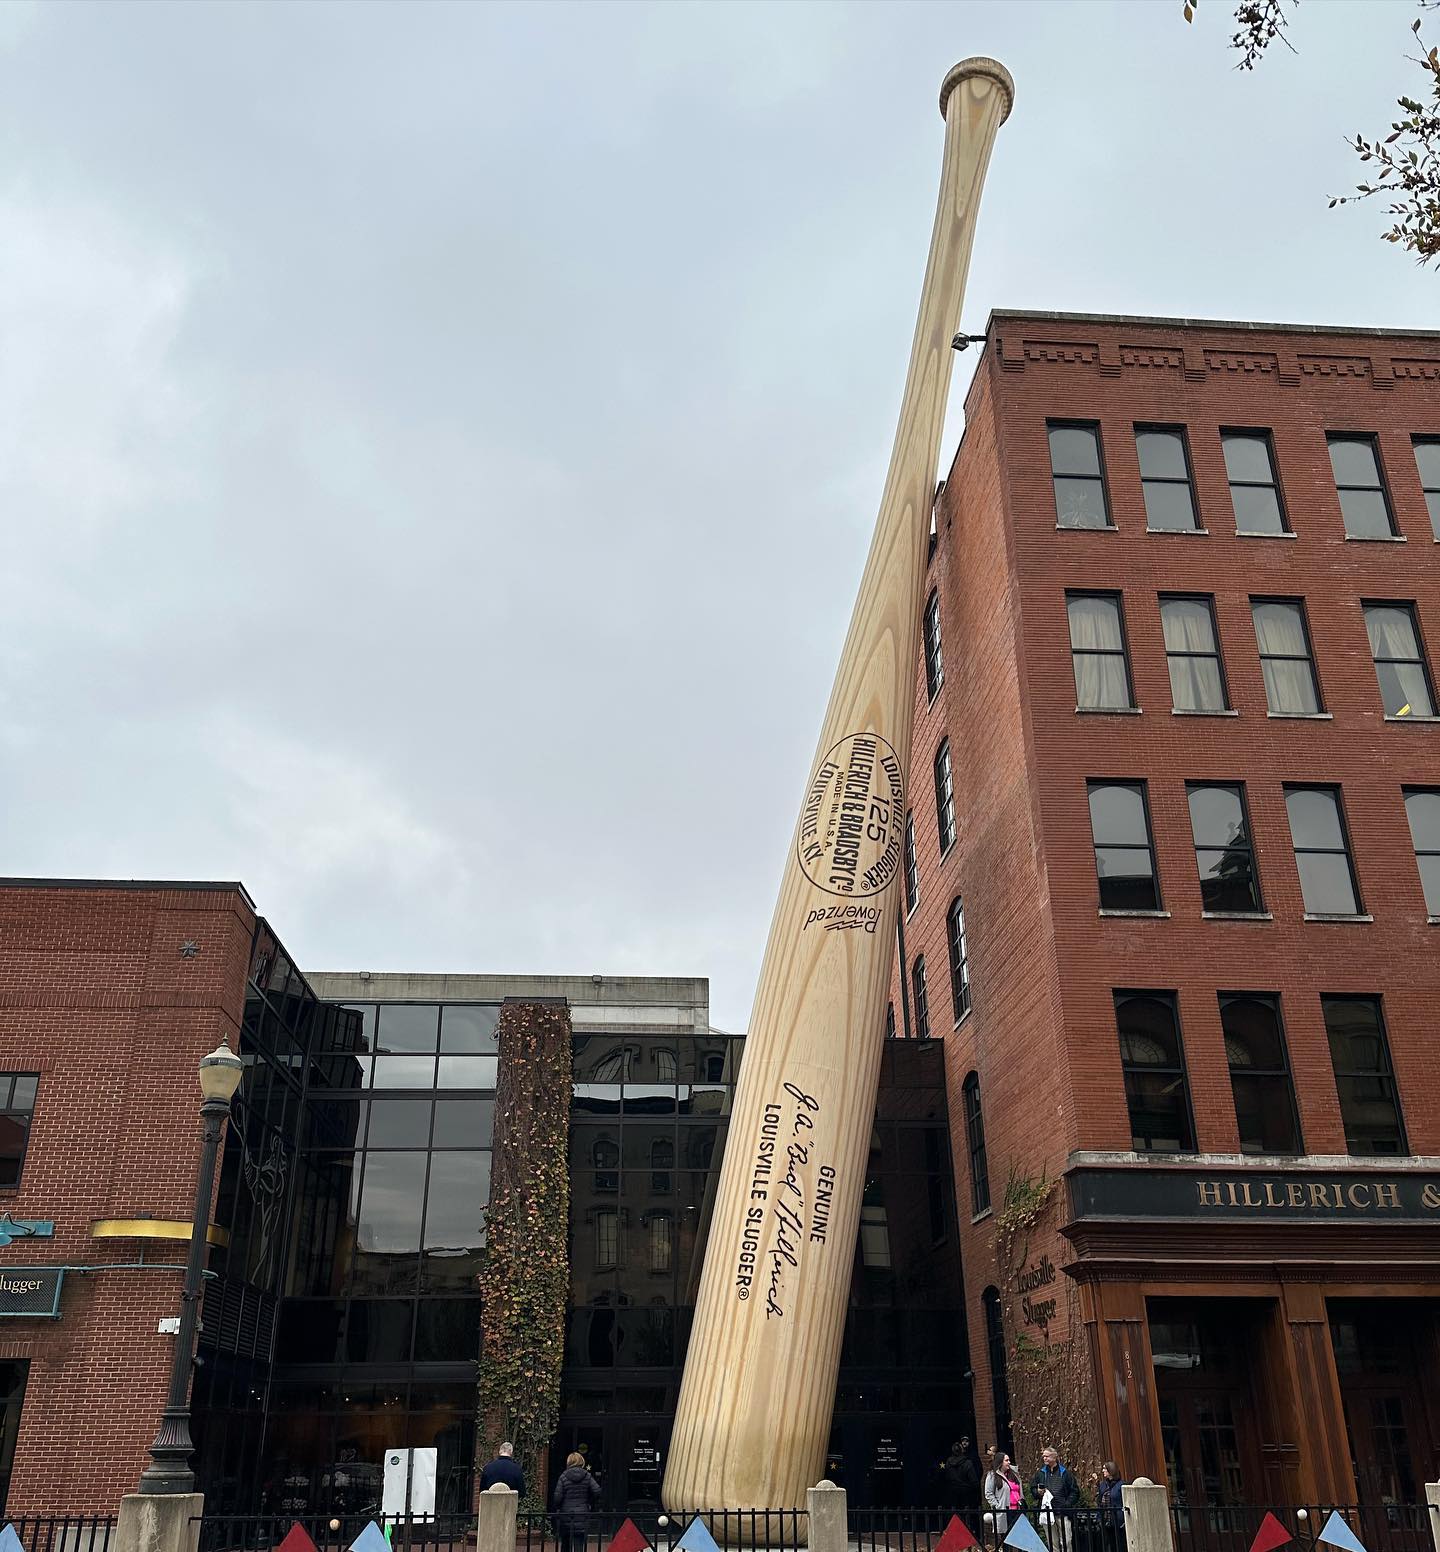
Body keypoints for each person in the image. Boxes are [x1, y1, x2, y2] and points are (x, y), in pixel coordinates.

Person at [1031, 1446, 1080, 1552]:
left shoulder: (1065, 1473)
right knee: (1052, 1543)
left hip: (1063, 1512)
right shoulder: (1040, 1473)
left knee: (1066, 1541)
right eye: (1043, 1456)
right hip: (1047, 1512)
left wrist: (1067, 1504)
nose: (1044, 1458)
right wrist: (1038, 1492)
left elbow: (1075, 1491)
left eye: (1047, 1456)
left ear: (1054, 1457)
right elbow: (1033, 1489)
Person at [552, 1450, 601, 1552]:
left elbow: (557, 1498)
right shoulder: (587, 1475)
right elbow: (597, 1491)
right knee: (579, 1543)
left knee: (565, 1543)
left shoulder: (563, 1476)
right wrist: (590, 1503)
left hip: (566, 1514)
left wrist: (559, 1507)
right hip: (582, 1514)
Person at [941, 1439, 981, 1532]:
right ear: (962, 1450)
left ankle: (955, 1532)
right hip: (967, 1493)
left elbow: (946, 1477)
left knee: (955, 1514)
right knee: (968, 1515)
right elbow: (974, 1480)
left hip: (953, 1492)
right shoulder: (967, 1463)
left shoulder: (948, 1462)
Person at [984, 1449, 1022, 1535]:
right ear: (1000, 1462)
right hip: (1004, 1510)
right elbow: (989, 1493)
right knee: (1006, 1536)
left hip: (1017, 1509)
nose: (1009, 1462)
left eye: (1009, 1460)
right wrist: (997, 1506)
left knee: (1018, 1535)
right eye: (1006, 1460)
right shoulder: (992, 1475)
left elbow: (1019, 1490)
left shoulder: (1013, 1474)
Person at [1095, 1462, 1126, 1552]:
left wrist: (1123, 1520)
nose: (1103, 1471)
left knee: (1120, 1546)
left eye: (1105, 1469)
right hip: (1105, 1521)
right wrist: (1099, 1519)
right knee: (1108, 1546)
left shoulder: (1121, 1485)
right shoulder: (1103, 1485)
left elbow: (1124, 1502)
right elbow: (1099, 1502)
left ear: (1111, 1470)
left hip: (1118, 1522)